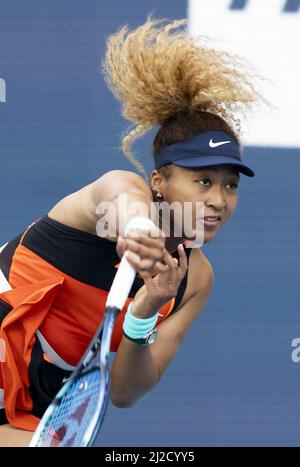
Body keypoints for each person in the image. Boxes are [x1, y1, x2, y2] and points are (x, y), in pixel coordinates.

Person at [0, 17, 263, 446]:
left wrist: (145, 310)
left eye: (230, 185)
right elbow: (127, 208)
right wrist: (140, 232)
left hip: (34, 397)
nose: (219, 198)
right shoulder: (121, 187)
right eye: (202, 181)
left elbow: (124, 392)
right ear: (159, 180)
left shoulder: (195, 279)